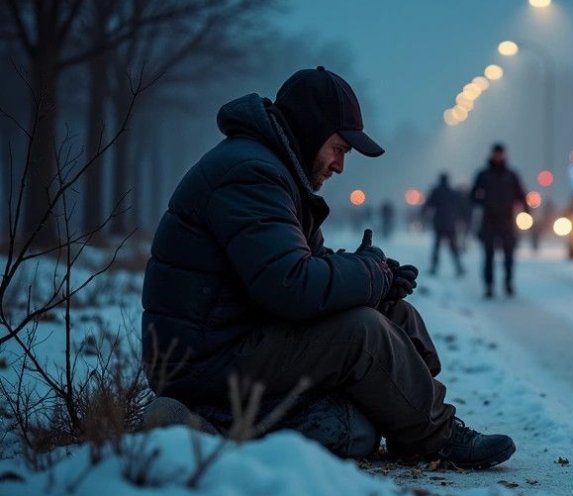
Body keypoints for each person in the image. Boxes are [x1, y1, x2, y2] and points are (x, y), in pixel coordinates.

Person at [140, 66, 515, 468]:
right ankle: (434, 438)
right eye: (339, 148)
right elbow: (292, 285)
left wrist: (379, 283)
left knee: (386, 331)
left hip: (239, 341)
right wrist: (370, 274)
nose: (340, 166)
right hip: (204, 364)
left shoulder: (275, 172)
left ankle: (404, 418)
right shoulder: (251, 175)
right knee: (362, 334)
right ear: (309, 130)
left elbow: (306, 265)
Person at [470, 143, 527, 298]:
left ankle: (508, 283)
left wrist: (526, 209)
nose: (499, 156)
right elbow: (473, 195)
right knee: (488, 255)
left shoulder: (511, 175)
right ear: (492, 154)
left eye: (501, 154)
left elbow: (521, 194)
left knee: (509, 254)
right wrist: (483, 203)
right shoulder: (483, 175)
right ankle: (489, 285)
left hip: (507, 220)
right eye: (497, 154)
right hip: (489, 220)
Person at [423, 173, 465, 276]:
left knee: (437, 248)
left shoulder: (436, 191)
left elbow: (428, 204)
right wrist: (460, 218)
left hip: (439, 223)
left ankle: (434, 268)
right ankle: (459, 268)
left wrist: (423, 214)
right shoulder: (452, 192)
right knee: (454, 248)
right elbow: (460, 206)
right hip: (450, 223)